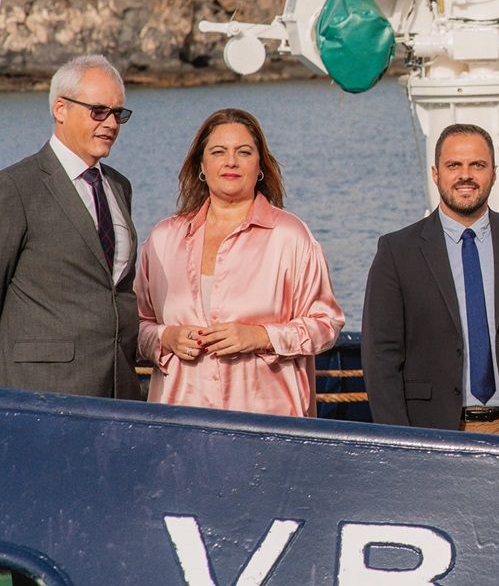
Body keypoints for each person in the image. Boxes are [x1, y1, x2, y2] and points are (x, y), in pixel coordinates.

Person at [362, 123, 499, 439]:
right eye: (454, 165)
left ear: (494, 173)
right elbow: (381, 355)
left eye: (477, 165)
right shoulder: (397, 251)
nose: (466, 175)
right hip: (431, 432)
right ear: (436, 173)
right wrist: (399, 440)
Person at [135, 108, 344, 417]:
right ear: (201, 165)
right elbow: (135, 326)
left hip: (268, 424)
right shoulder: (164, 238)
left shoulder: (290, 236)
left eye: (243, 152)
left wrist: (260, 336)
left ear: (259, 166)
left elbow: (327, 324)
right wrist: (166, 337)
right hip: (179, 423)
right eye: (219, 152)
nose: (231, 161)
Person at [0, 55, 140, 399]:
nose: (111, 123)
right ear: (60, 109)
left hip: (118, 387)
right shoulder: (16, 187)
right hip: (41, 392)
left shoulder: (120, 186)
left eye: (118, 114)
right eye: (98, 111)